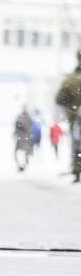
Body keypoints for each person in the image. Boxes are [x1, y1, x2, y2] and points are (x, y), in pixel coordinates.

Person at [55, 50, 81, 183]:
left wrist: (71, 104)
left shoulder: (71, 80)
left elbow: (59, 99)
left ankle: (77, 170)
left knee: (77, 144)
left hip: (75, 117)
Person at [13, 106, 34, 172]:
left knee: (25, 152)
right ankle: (21, 165)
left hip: (25, 138)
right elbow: (17, 126)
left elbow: (30, 127)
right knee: (19, 152)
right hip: (22, 137)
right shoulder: (21, 117)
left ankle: (23, 165)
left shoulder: (27, 117)